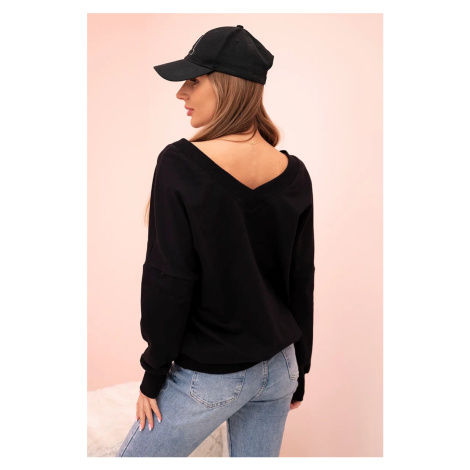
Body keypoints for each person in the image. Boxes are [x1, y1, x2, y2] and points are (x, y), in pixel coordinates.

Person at [116, 25, 315, 457]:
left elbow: (169, 278)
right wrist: (300, 369)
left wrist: (153, 374)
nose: (181, 93)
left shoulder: (180, 163)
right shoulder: (295, 172)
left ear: (226, 84)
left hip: (212, 375)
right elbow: (301, 279)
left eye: (193, 79)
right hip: (281, 365)